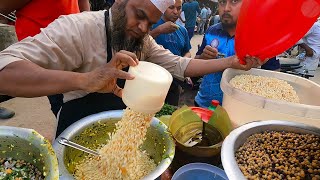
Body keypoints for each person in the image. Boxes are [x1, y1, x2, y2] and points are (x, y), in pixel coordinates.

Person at [0, 0, 261, 136]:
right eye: (139, 15)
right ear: (120, 1)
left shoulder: (142, 40)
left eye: (151, 22)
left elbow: (181, 64)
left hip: (120, 125)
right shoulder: (75, 28)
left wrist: (230, 62)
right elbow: (5, 71)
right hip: (76, 124)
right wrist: (86, 79)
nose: (144, 29)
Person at [0, 0, 90, 117]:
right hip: (45, 47)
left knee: (82, 93)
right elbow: (3, 6)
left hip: (75, 39)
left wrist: (88, 23)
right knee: (60, 95)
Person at [194, 0, 262, 107]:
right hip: (204, 104)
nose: (226, 8)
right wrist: (203, 56)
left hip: (238, 110)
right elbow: (196, 62)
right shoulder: (211, 31)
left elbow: (273, 75)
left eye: (234, 1)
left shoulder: (259, 36)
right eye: (222, 2)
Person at [150, 0, 191, 106]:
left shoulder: (183, 30)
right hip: (153, 82)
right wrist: (158, 31)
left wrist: (185, 62)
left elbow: (187, 52)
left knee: (170, 113)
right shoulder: (152, 24)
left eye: (178, 8)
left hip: (174, 83)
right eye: (171, 7)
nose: (175, 12)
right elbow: (139, 43)